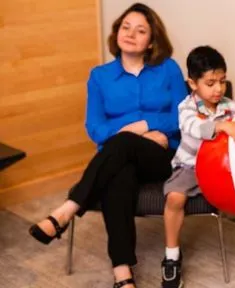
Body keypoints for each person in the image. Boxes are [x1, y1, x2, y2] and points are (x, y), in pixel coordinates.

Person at [28, 3, 187, 288]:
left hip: (161, 157)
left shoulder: (168, 69)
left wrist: (142, 126)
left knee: (123, 143)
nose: (130, 34)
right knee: (120, 175)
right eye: (125, 27)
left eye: (140, 30)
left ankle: (69, 207)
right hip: (117, 159)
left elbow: (181, 115)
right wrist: (138, 132)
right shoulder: (99, 76)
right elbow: (96, 129)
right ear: (116, 33)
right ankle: (123, 274)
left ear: (151, 40)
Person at [160, 46, 235, 288]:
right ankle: (171, 255)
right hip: (190, 167)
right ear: (193, 84)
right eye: (210, 82)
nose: (218, 89)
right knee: (174, 198)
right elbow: (194, 128)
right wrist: (220, 127)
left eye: (222, 81)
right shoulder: (186, 107)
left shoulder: (229, 106)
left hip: (224, 169)